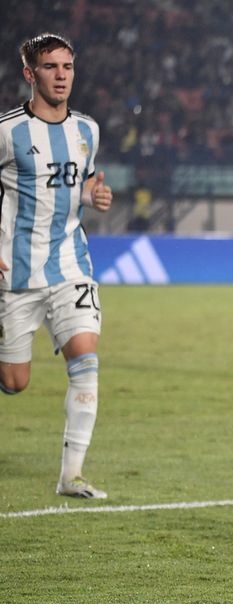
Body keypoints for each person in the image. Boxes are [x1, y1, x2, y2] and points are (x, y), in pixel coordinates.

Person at [0, 33, 114, 498]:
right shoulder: (7, 131)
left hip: (71, 263)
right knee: (14, 383)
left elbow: (78, 184)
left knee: (85, 361)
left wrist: (94, 196)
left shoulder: (88, 130)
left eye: (67, 66)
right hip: (16, 271)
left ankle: (71, 475)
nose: (62, 75)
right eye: (51, 67)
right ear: (30, 74)